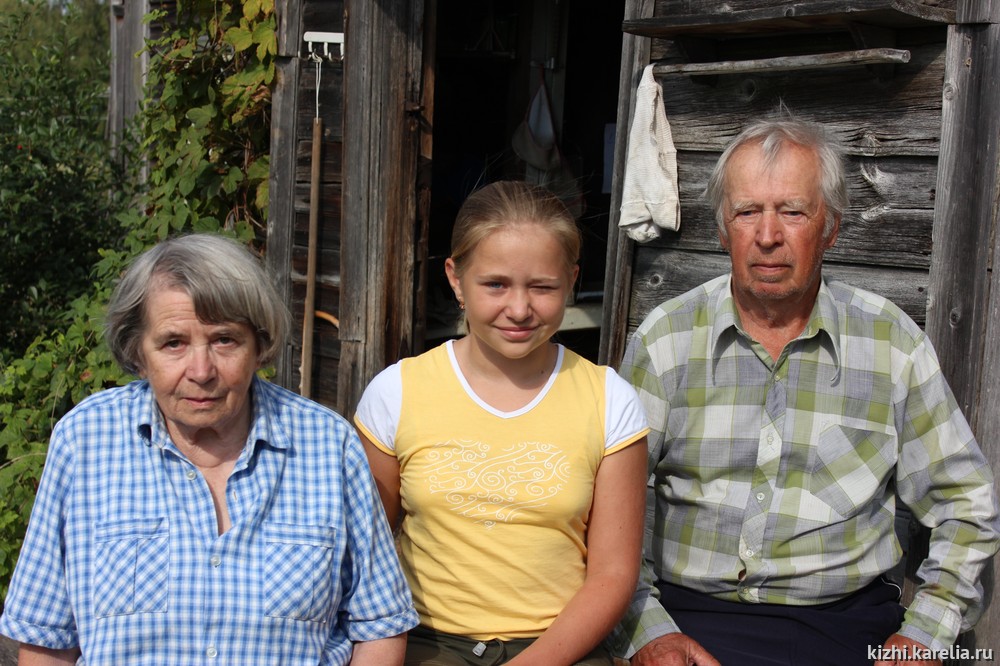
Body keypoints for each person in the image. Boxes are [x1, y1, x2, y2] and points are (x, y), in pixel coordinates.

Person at [613, 115, 1000, 666]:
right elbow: (611, 507)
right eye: (747, 212)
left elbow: (965, 502)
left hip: (842, 627)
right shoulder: (666, 339)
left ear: (830, 228)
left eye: (793, 212)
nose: (768, 235)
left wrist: (926, 634)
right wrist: (648, 631)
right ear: (724, 229)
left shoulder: (890, 342)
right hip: (687, 621)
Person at [0, 233, 418, 665]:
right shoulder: (85, 442)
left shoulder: (328, 447)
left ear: (259, 347)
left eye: (224, 340)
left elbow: (381, 626)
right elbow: (46, 638)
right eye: (173, 343)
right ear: (137, 352)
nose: (201, 371)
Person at [354, 180, 650, 665]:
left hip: (561, 647)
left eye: (542, 287)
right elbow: (365, 547)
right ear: (455, 279)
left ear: (571, 280)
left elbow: (612, 575)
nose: (519, 309)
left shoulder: (607, 400)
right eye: (495, 284)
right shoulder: (397, 392)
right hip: (427, 642)